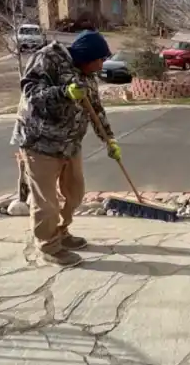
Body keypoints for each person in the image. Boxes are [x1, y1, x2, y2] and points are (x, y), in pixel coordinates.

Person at [11, 29, 121, 267]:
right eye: (100, 59)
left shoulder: (88, 75)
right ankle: (48, 246)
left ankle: (61, 232)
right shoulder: (47, 58)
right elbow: (30, 93)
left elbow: (96, 109)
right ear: (86, 56)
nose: (102, 64)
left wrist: (109, 140)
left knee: (75, 193)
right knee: (46, 202)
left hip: (70, 143)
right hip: (39, 142)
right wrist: (63, 93)